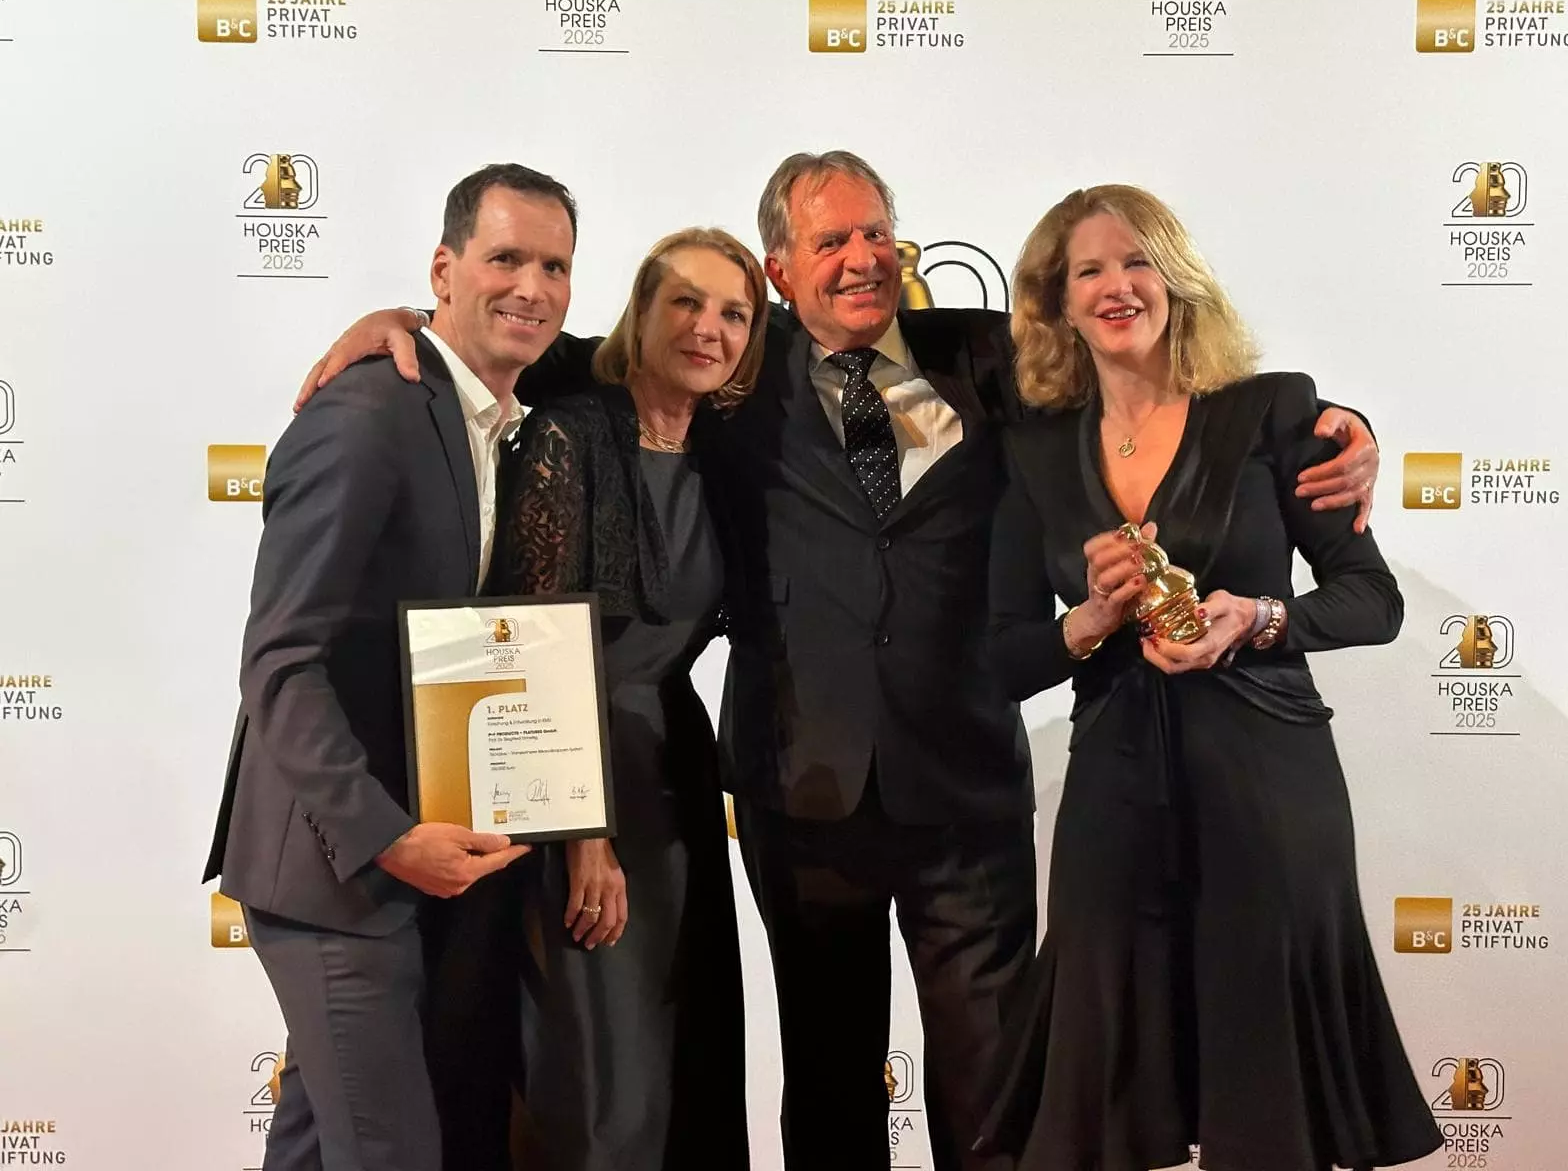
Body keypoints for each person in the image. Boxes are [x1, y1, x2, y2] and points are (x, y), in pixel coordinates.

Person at [298, 151, 1383, 1171]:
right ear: (780, 268)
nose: (859, 260)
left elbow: (1151, 369)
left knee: (997, 1088)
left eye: (876, 234)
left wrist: (1338, 424)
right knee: (825, 1089)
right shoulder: (729, 359)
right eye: (827, 244)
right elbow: (566, 346)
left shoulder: (990, 356)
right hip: (801, 793)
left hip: (965, 790)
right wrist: (405, 320)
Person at [974, 184, 1443, 1170]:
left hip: (1266, 779)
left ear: (1175, 280)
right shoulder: (1036, 452)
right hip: (1114, 783)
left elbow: (1371, 599)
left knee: (1265, 1090)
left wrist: (1257, 619)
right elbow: (1005, 656)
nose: (1114, 285)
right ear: (1056, 303)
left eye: (1135, 261)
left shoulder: (1272, 412)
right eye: (1086, 270)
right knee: (1106, 1091)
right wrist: (1094, 619)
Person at [202, 162, 577, 1169]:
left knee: (322, 1147)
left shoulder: (479, 417)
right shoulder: (370, 414)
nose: (532, 288)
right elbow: (280, 660)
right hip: (336, 870)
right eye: (505, 259)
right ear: (444, 271)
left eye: (554, 266)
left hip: (384, 866)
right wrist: (388, 838)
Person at [487, 227, 767, 1169]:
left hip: (675, 780)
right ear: (641, 311)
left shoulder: (721, 453)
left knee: (681, 1051)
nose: (707, 328)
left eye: (733, 313)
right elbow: (531, 649)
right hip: (574, 778)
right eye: (685, 302)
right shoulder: (570, 432)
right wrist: (582, 836)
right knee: (599, 1074)